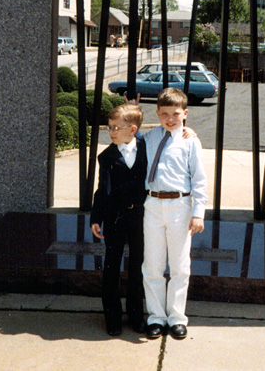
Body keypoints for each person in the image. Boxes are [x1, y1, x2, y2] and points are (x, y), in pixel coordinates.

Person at [141, 87, 208, 340]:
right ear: (157, 114)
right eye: (164, 114)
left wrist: (198, 212)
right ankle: (156, 316)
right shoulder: (149, 138)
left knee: (180, 266)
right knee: (153, 264)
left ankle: (177, 317)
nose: (170, 119)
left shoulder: (191, 141)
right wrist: (133, 108)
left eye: (176, 114)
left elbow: (199, 180)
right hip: (153, 206)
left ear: (185, 114)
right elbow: (128, 134)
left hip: (180, 207)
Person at [90, 103, 148, 336]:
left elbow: (170, 135)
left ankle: (136, 316)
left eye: (116, 127)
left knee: (138, 266)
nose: (112, 132)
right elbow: (102, 190)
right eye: (109, 127)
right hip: (115, 218)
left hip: (141, 218)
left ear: (132, 129)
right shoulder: (106, 157)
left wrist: (188, 130)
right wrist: (96, 217)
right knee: (112, 267)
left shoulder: (147, 148)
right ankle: (112, 317)